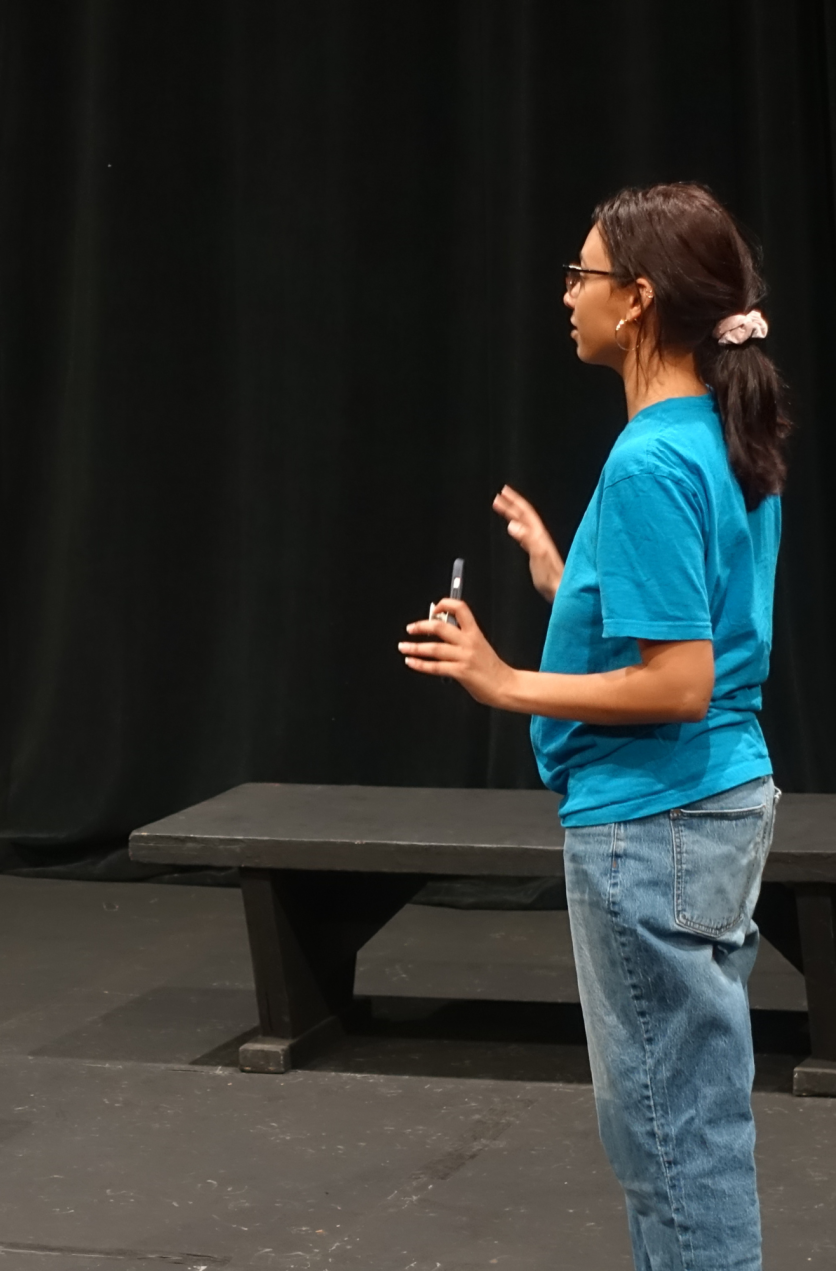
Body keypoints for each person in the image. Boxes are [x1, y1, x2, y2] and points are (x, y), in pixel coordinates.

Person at [398, 182, 789, 1271]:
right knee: (687, 1120)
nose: (566, 293)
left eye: (582, 274)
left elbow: (678, 683)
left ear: (638, 301)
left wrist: (504, 678)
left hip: (655, 821)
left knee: (672, 1137)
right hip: (709, 807)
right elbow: (692, 626)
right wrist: (567, 576)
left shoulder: (653, 458)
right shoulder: (716, 432)